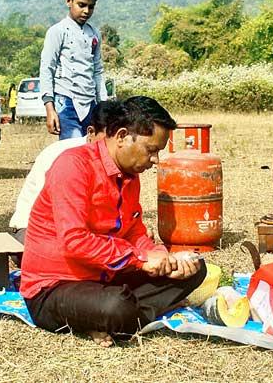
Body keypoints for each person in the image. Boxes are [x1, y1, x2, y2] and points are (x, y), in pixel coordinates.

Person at [20, 96, 205, 347]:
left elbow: (133, 230)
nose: (156, 160)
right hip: (54, 287)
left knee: (194, 269)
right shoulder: (73, 165)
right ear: (121, 136)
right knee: (116, 306)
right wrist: (140, 259)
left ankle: (109, 319)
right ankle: (113, 317)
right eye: (151, 150)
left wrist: (161, 256)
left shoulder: (129, 174)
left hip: (104, 277)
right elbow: (74, 241)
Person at [9, 99, 118, 243]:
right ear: (90, 132)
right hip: (37, 230)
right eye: (106, 141)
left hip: (81, 232)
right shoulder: (62, 155)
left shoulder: (117, 161)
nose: (111, 148)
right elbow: (57, 216)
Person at [39, 0, 106, 139]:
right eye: (81, 5)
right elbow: (47, 68)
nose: (86, 11)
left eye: (91, 7)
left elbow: (97, 71)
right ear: (69, 0)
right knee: (73, 147)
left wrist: (103, 105)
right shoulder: (58, 31)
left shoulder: (94, 34)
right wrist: (50, 109)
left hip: (90, 103)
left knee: (91, 149)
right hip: (66, 101)